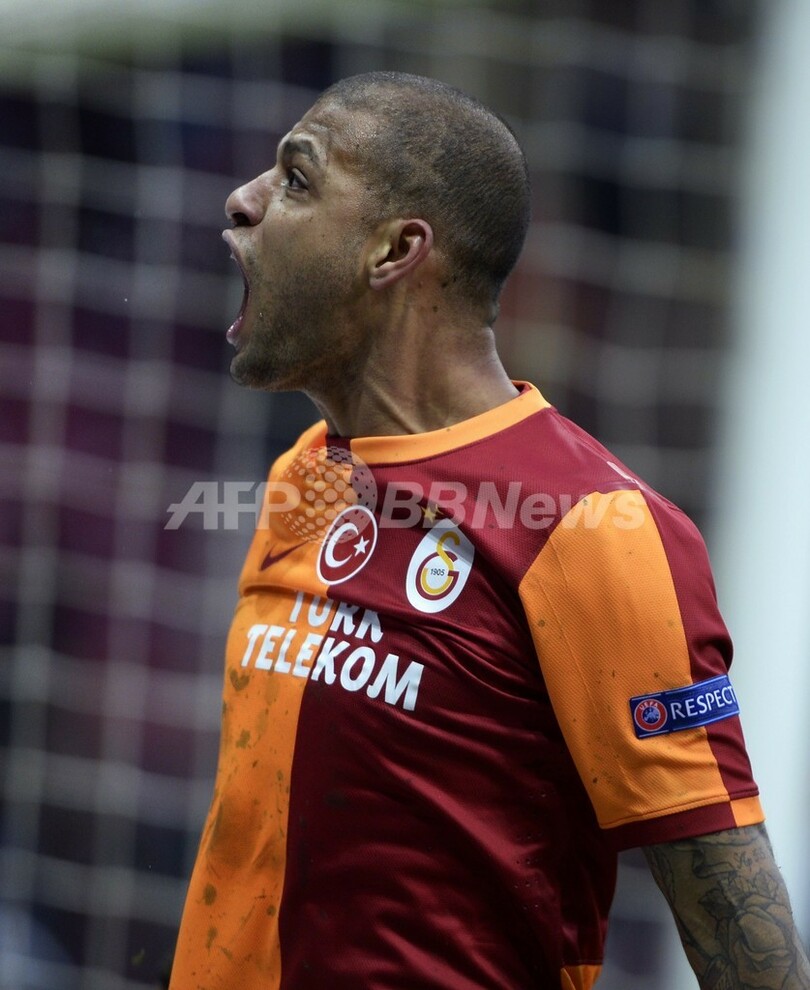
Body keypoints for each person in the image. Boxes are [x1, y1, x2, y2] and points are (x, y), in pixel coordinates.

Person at [169, 71, 810, 990]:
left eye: (297, 179)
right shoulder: (303, 476)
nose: (243, 199)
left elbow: (744, 946)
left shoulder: (596, 529)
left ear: (396, 249)